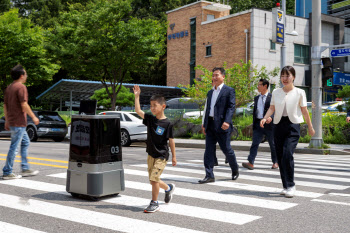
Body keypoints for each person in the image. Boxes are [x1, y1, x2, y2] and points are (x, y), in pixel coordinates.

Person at [260, 66, 315, 198]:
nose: (284, 79)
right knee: (280, 156)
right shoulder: (276, 92)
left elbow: (304, 111)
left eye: (287, 76)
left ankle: (291, 185)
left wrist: (310, 126)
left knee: (287, 154)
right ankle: (285, 186)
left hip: (293, 126)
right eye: (282, 76)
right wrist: (265, 117)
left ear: (293, 77)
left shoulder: (300, 92)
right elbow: (272, 108)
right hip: (278, 125)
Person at [133, 85, 177, 213]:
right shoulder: (151, 119)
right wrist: (137, 96)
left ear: (163, 107)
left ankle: (154, 203)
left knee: (153, 179)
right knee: (154, 180)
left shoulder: (167, 123)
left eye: (155, 105)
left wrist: (174, 156)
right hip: (151, 154)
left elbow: (171, 140)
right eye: (151, 105)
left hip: (161, 156)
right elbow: (138, 111)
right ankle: (168, 188)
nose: (152, 108)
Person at [199, 67, 239, 184]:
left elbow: (231, 107)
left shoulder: (229, 90)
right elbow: (208, 109)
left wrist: (227, 121)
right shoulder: (210, 92)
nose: (214, 77)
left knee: (227, 149)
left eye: (217, 75)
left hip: (223, 125)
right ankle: (209, 175)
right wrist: (204, 123)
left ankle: (235, 169)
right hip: (210, 124)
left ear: (223, 77)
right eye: (213, 75)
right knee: (208, 151)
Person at [2, 64, 39, 180]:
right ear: (22, 75)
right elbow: (24, 104)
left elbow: (5, 106)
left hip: (13, 122)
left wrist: (7, 121)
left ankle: (25, 168)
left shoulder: (9, 88)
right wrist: (34, 117)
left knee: (25, 142)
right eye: (26, 73)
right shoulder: (21, 87)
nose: (26, 75)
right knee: (14, 147)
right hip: (18, 122)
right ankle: (7, 171)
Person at [242, 79, 278, 170]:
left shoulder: (272, 97)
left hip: (269, 125)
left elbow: (276, 109)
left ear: (265, 86)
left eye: (259, 85)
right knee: (255, 143)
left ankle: (275, 162)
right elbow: (256, 111)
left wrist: (271, 117)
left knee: (272, 144)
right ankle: (251, 162)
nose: (257, 87)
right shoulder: (256, 98)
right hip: (258, 124)